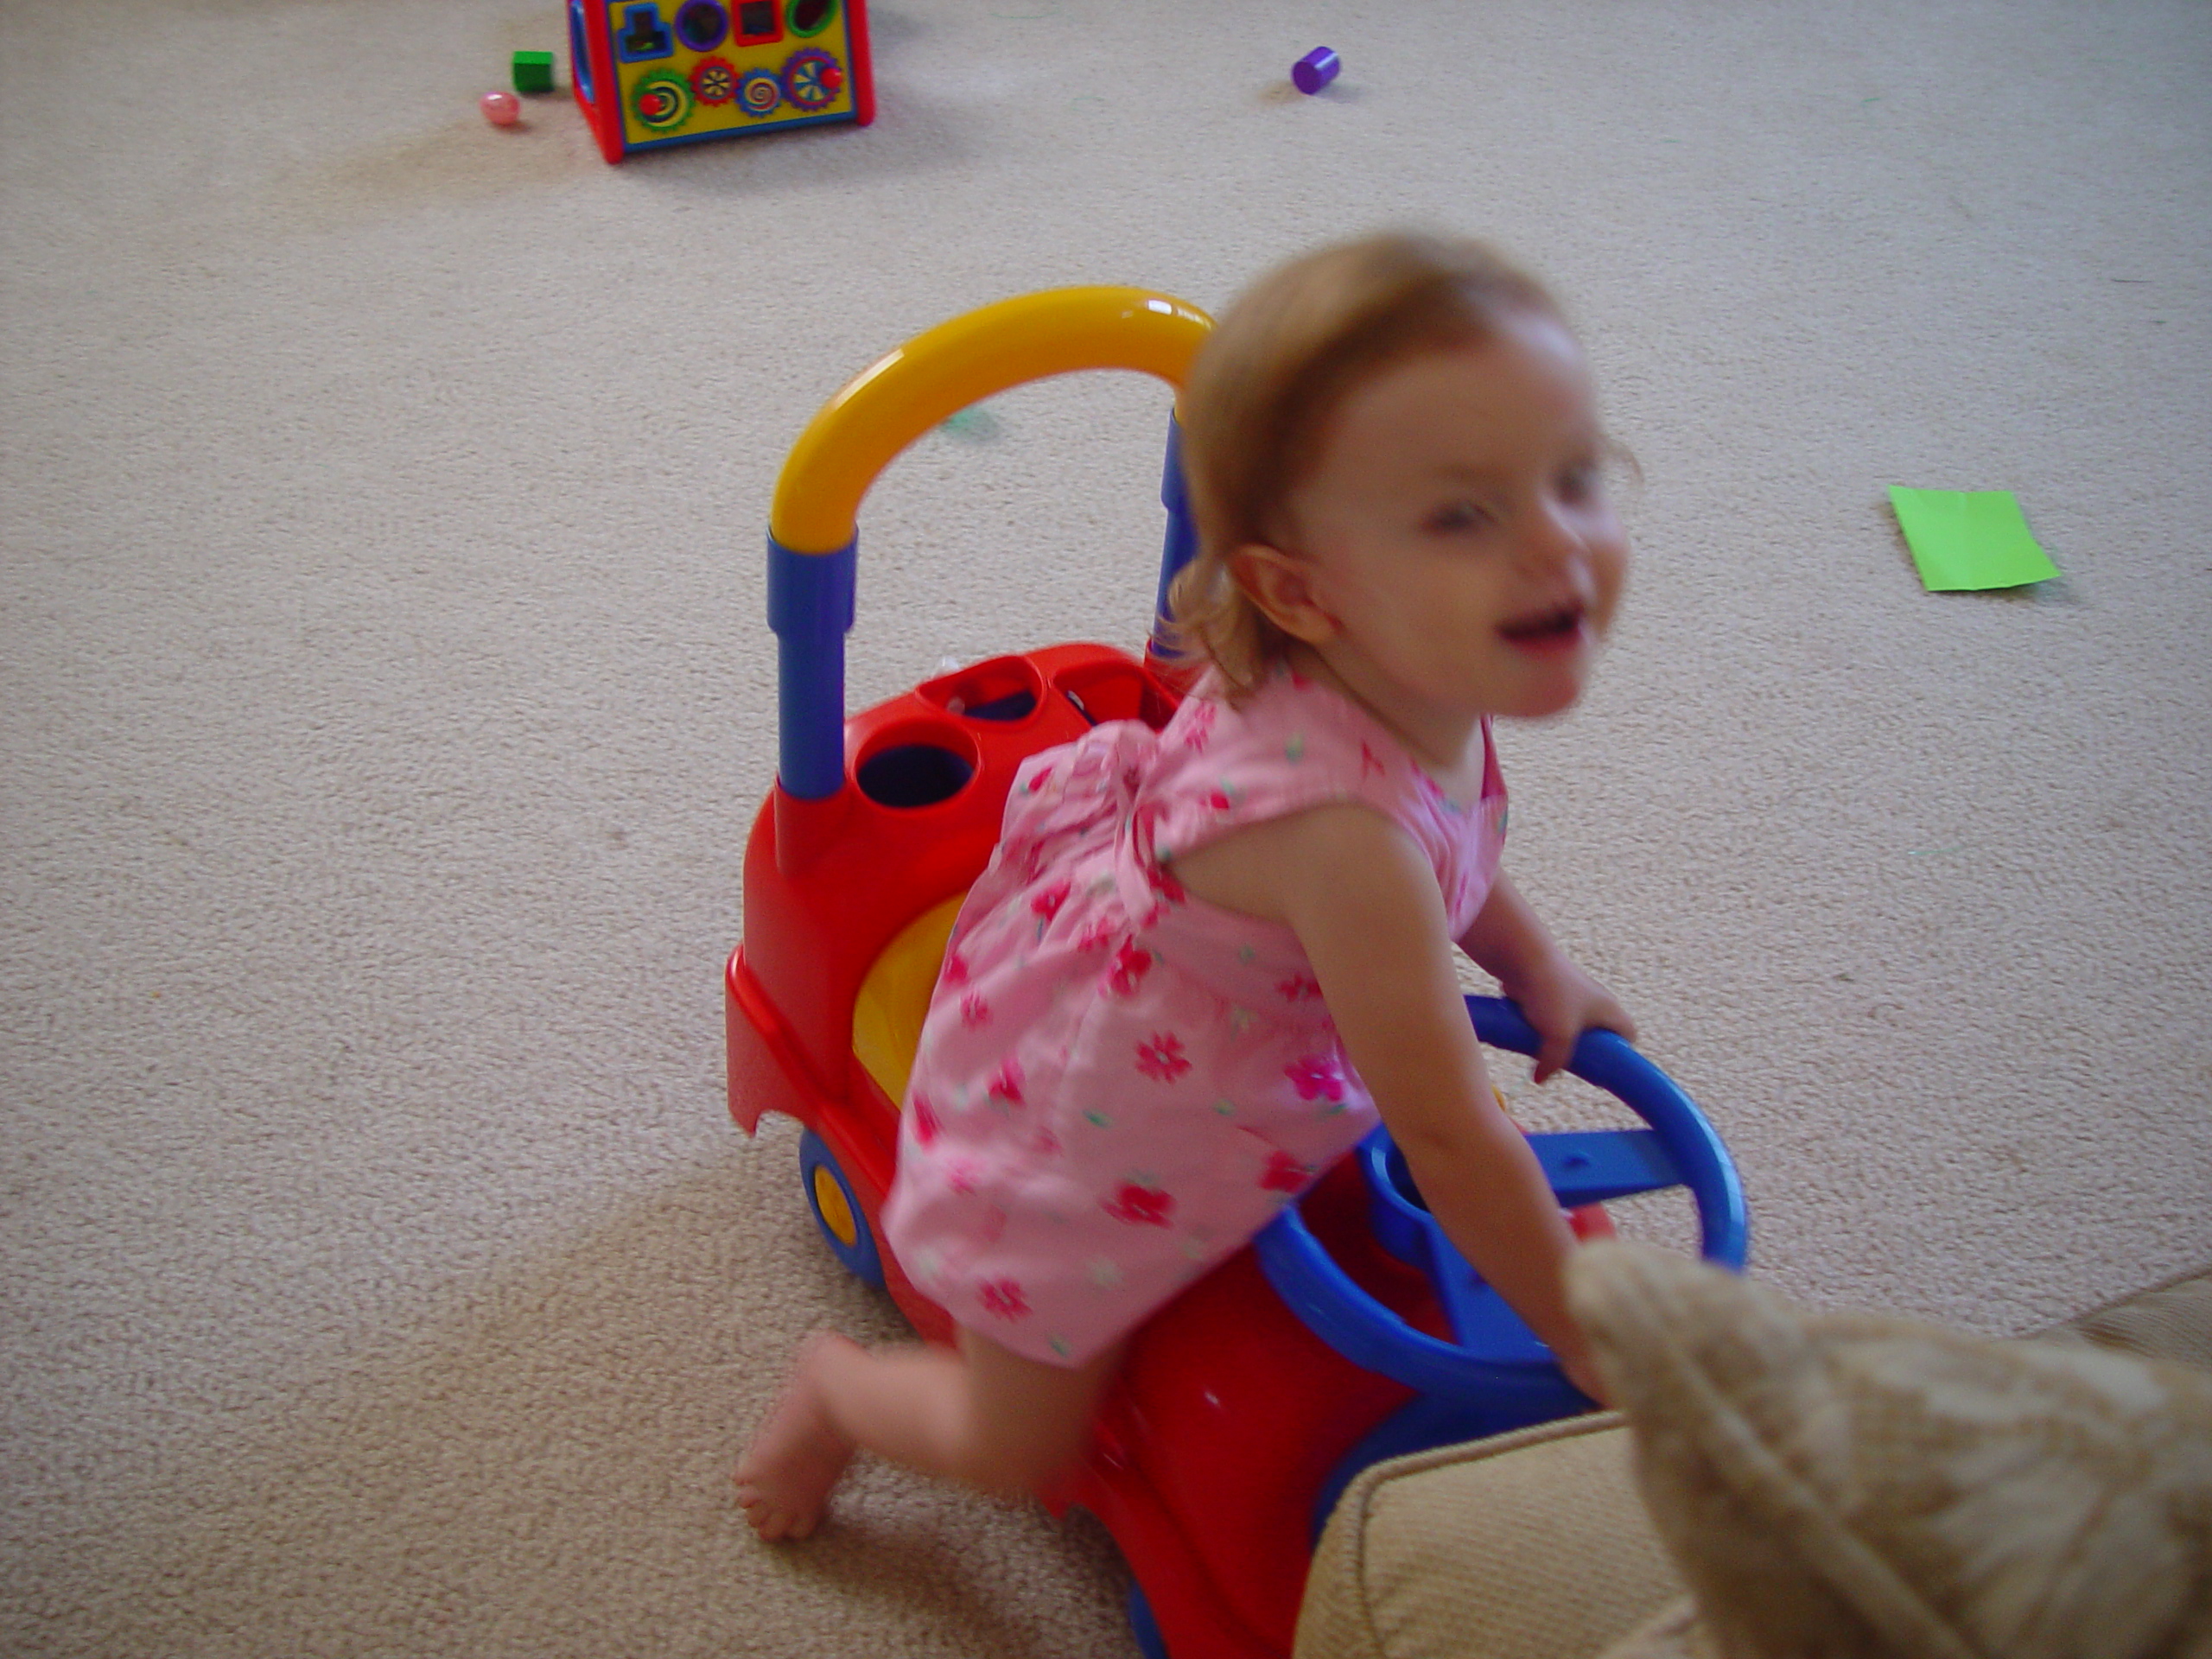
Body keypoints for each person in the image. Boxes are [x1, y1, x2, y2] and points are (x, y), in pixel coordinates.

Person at [738, 231, 1637, 1541]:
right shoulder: (1345, 841)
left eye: (1577, 478)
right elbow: (1447, 1134)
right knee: (1016, 1446)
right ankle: (838, 1396)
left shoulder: (1423, 675)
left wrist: (1530, 962)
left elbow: (1463, 858)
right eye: (1464, 513)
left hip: (1230, 984)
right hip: (1096, 1104)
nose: (1557, 546)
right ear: (1297, 591)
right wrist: (1592, 1336)